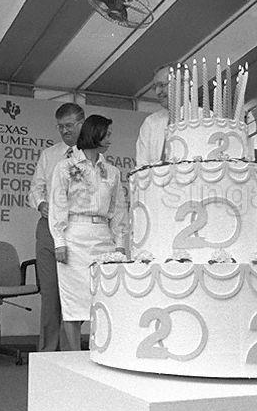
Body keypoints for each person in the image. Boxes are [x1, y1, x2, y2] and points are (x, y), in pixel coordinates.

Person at [49, 115, 127, 351]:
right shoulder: (65, 167)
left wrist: (120, 244)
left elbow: (119, 210)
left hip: (103, 238)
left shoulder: (112, 171)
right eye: (107, 134)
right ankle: (74, 355)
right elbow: (57, 205)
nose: (110, 139)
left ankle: (101, 351)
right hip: (74, 236)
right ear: (95, 133)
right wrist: (59, 241)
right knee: (74, 302)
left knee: (103, 298)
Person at [28, 103, 85, 352]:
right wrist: (41, 204)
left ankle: (70, 353)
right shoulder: (49, 155)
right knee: (50, 294)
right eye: (60, 127)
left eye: (69, 125)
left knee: (73, 294)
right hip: (48, 228)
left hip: (77, 229)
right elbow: (35, 188)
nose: (64, 131)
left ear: (82, 123)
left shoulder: (92, 156)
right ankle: (48, 353)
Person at [135, 65, 170, 167]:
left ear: (182, 84)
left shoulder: (204, 118)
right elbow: (142, 165)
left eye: (162, 85)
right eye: (155, 87)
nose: (158, 92)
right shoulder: (151, 122)